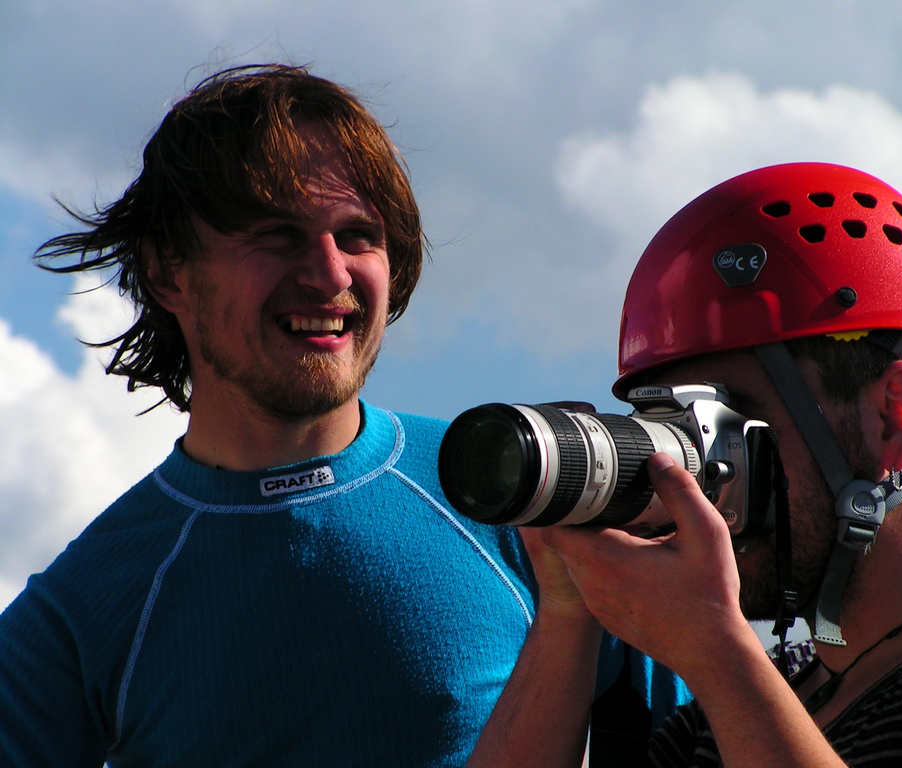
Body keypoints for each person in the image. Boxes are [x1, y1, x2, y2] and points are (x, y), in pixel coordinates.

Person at [0, 64, 688, 767]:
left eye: (359, 235)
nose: (329, 276)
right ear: (168, 270)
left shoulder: (526, 495)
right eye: (277, 235)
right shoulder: (84, 607)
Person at [467, 162, 902, 767]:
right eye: (674, 430)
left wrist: (716, 652)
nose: (696, 482)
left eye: (726, 424)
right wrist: (569, 611)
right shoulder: (724, 719)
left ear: (894, 416)